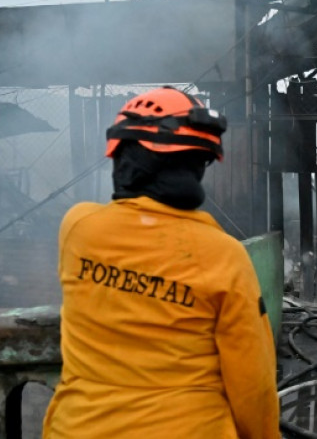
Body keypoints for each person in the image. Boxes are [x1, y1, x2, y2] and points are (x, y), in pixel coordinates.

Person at [42, 87, 281, 439]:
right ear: (196, 168)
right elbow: (252, 383)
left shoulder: (77, 229)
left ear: (121, 154)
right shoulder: (223, 255)